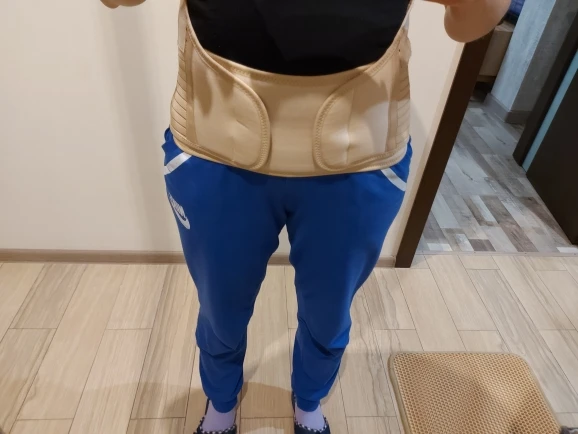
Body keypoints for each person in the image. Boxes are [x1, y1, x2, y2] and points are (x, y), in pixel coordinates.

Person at [101, 0, 510, 432]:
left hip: (357, 159)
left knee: (329, 312)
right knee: (221, 307)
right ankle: (221, 401)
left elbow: (474, 16)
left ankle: (308, 401)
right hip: (217, 148)